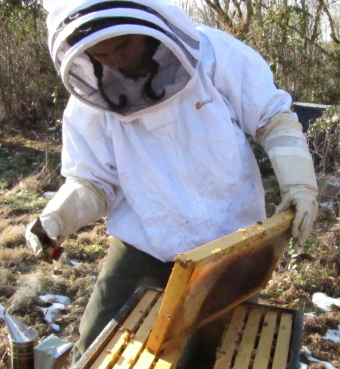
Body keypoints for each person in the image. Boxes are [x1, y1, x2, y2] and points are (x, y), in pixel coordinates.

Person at [26, 0, 318, 365]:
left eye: (121, 46)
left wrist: (299, 185)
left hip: (231, 240)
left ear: (149, 26)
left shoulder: (215, 55)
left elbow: (274, 119)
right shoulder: (87, 105)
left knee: (222, 347)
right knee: (100, 344)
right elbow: (93, 182)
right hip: (146, 240)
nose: (114, 60)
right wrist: (57, 217)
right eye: (100, 54)